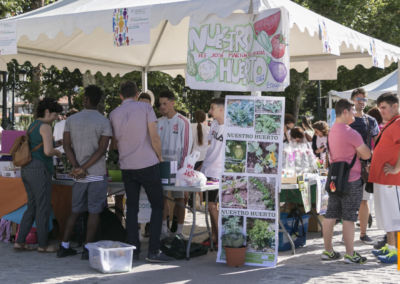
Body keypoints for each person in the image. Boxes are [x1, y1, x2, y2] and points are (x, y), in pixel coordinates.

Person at [110, 81, 171, 262]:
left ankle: (133, 250)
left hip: (127, 165)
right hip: (148, 163)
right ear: (137, 93)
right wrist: (159, 158)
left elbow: (114, 144)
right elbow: (154, 137)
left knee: (132, 208)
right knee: (157, 205)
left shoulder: (114, 113)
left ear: (121, 95)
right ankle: (153, 250)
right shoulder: (145, 109)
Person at [56, 86, 112, 260]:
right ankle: (87, 248)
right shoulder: (104, 121)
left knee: (75, 211)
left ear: (85, 99)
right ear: (99, 101)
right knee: (94, 212)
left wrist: (76, 167)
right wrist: (85, 167)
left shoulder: (72, 120)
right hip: (96, 173)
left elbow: (66, 145)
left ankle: (64, 245)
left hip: (78, 174)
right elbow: (102, 150)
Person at [321, 99, 371, 264]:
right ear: (345, 112)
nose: (355, 115)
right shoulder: (351, 133)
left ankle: (328, 251)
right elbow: (366, 155)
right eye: (352, 111)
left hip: (334, 179)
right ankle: (350, 254)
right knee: (349, 217)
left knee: (331, 214)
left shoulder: (332, 131)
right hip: (351, 179)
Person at [14, 98, 63, 252]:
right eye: (55, 115)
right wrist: (59, 153)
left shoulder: (33, 125)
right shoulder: (46, 127)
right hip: (39, 169)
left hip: (27, 169)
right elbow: (48, 152)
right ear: (47, 112)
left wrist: (57, 143)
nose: (56, 118)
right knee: (42, 207)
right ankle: (43, 245)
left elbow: (39, 145)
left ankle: (19, 241)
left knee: (32, 206)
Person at [369, 92, 400, 264]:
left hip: (392, 180)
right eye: (380, 108)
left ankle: (396, 252)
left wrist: (396, 168)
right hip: (384, 179)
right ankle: (391, 247)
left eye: (384, 108)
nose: (381, 111)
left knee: (395, 217)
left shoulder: (398, 122)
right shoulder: (391, 123)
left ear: (394, 106)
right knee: (388, 217)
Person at [158, 90, 192, 238]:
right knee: (162, 198)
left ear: (173, 103)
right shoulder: (159, 122)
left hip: (178, 168)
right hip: (162, 167)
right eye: (160, 104)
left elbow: (186, 147)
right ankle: (164, 230)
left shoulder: (183, 122)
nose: (162, 107)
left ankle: (179, 231)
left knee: (180, 198)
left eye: (165, 103)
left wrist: (181, 170)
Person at [349, 88, 380, 245]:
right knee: (347, 200)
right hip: (348, 166)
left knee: (364, 200)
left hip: (366, 167)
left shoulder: (371, 121)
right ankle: (346, 234)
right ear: (353, 100)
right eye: (358, 98)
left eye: (364, 99)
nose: (361, 101)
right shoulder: (347, 120)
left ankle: (363, 233)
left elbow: (378, 142)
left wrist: (374, 160)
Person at [201, 98, 225, 247]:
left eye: (212, 108)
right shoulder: (214, 124)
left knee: (213, 205)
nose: (210, 112)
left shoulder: (231, 126)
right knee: (210, 206)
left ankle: (220, 239)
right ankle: (215, 236)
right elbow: (209, 146)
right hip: (208, 170)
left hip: (219, 172)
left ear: (222, 109)